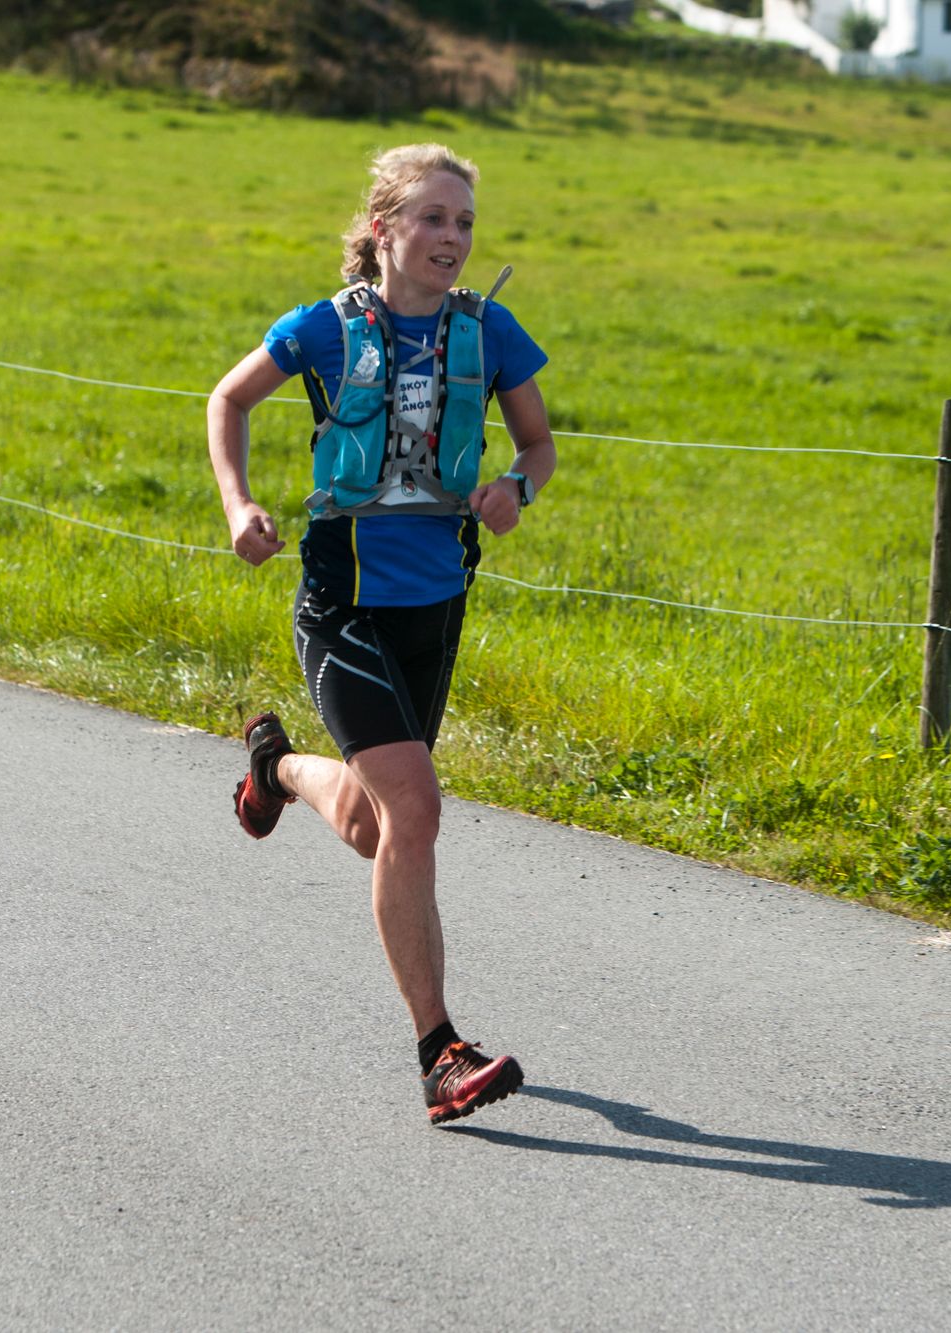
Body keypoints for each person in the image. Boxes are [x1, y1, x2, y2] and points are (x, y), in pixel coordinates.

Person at [206, 143, 555, 1125]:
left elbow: (538, 444)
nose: (452, 238)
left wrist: (514, 490)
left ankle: (274, 771)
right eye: (433, 219)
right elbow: (226, 399)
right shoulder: (322, 329)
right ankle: (439, 1052)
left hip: (434, 600)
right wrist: (239, 506)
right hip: (342, 600)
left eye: (464, 224)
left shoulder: (489, 335)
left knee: (372, 825)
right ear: (382, 228)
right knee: (419, 806)